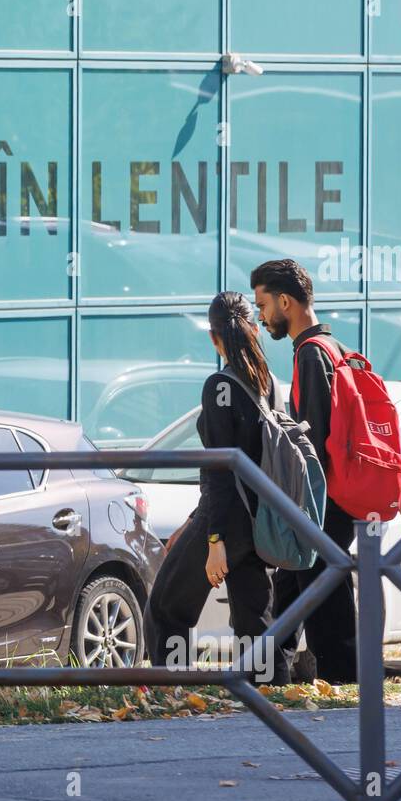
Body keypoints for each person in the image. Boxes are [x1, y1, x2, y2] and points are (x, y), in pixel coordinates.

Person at [251, 259, 401, 683]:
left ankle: (346, 678)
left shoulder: (311, 356)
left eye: (263, 305)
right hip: (341, 496)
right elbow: (373, 443)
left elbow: (312, 448)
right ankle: (267, 673)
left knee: (322, 588)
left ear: (285, 302)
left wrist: (295, 505)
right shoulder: (339, 352)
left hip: (323, 501)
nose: (261, 317)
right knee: (296, 582)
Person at [143, 292, 292, 686]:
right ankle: (269, 691)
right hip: (260, 520)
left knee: (166, 607)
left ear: (213, 338)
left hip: (224, 520)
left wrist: (213, 539)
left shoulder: (218, 386)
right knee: (252, 614)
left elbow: (221, 472)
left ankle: (171, 688)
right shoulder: (272, 386)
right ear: (255, 329)